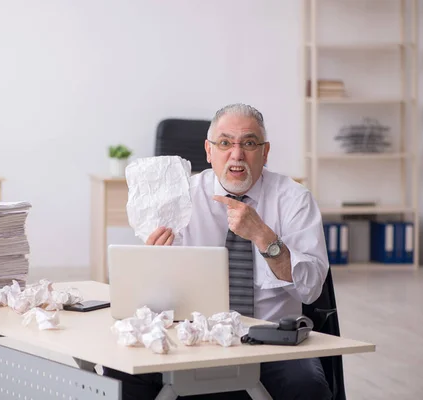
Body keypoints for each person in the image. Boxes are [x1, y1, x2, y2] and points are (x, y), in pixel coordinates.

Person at [103, 104, 332, 400]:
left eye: (249, 143)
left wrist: (264, 237)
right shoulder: (179, 197)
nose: (236, 155)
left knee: (308, 387)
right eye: (225, 143)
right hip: (190, 339)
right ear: (209, 151)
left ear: (265, 152)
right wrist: (155, 264)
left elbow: (312, 289)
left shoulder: (294, 200)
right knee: (121, 377)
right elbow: (148, 296)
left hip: (272, 342)